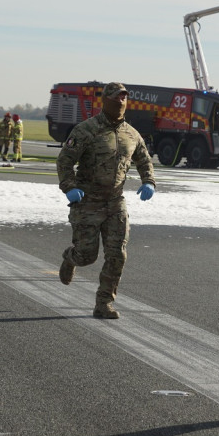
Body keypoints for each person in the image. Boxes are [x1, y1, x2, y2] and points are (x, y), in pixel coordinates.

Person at [56, 82, 156, 319]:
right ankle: (70, 258)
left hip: (115, 202)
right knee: (86, 256)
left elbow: (144, 160)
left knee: (117, 254)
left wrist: (149, 181)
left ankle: (104, 303)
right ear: (106, 100)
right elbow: (64, 161)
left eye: (124, 98)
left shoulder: (131, 134)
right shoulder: (86, 130)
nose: (121, 101)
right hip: (87, 201)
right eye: (116, 97)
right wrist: (69, 187)